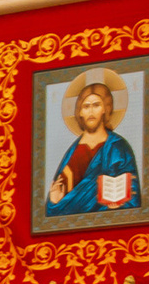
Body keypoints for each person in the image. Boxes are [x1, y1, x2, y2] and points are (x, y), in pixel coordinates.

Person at [45, 72, 140, 217]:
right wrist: (53, 203)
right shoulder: (73, 152)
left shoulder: (118, 147)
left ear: (105, 109)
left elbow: (133, 199)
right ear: (80, 112)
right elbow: (55, 208)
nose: (91, 111)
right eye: (86, 106)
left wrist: (120, 206)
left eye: (96, 105)